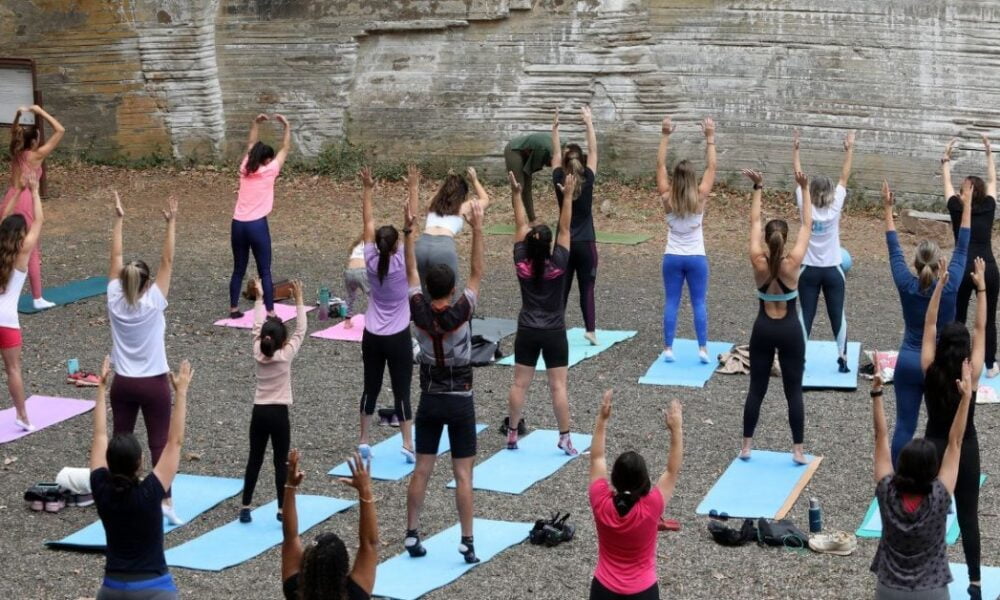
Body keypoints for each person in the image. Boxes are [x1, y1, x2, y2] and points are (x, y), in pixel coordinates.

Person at [402, 165, 486, 563]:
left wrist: (406, 233)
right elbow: (477, 272)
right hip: (460, 398)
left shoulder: (417, 310)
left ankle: (411, 533)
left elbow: (409, 272)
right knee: (463, 475)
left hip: (430, 398)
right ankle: (467, 541)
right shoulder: (461, 312)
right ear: (451, 289)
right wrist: (480, 232)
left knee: (422, 469)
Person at [89, 356, 193, 600]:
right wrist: (181, 393)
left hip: (111, 589)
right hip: (154, 590)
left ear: (109, 462)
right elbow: (174, 442)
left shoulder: (101, 489)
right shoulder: (150, 493)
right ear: (140, 463)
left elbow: (99, 437)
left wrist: (101, 389)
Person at [869, 355, 972, 600]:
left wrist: (876, 393)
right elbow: (955, 442)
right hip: (932, 591)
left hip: (889, 590)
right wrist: (966, 398)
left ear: (901, 466)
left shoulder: (887, 492)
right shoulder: (939, 495)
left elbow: (880, 437)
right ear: (931, 470)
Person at [107, 191, 182, 524]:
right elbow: (167, 262)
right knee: (159, 444)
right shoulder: (153, 301)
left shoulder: (113, 297)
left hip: (122, 383)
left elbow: (116, 255)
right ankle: (165, 502)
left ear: (123, 281)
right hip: (153, 383)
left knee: (121, 442)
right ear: (147, 283)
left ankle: (117, 498)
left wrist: (119, 219)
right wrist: (171, 223)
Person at [884, 178, 970, 463]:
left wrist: (887, 208)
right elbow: (963, 246)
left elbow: (893, 247)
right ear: (938, 262)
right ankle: (941, 481)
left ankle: (899, 483)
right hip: (940, 367)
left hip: (909, 360)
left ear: (916, 263)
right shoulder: (951, 283)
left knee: (904, 427)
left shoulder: (906, 283)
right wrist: (966, 206)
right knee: (941, 430)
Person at [920, 257, 987, 599]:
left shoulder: (930, 368)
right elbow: (980, 329)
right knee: (968, 516)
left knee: (931, 515)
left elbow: (929, 325)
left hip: (933, 448)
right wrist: (982, 288)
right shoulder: (970, 374)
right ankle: (975, 581)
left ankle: (929, 572)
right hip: (966, 447)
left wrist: (940, 287)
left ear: (943, 345)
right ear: (963, 351)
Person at [740, 169, 812, 465]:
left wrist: (758, 186)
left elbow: (754, 221)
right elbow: (808, 223)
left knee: (757, 388)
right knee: (793, 390)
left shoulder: (758, 259)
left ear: (767, 239)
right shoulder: (793, 262)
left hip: (763, 328)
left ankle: (746, 446)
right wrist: (804, 189)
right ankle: (797, 450)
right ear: (785, 239)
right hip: (790, 329)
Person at [505, 169, 578, 455]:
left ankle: (512, 433)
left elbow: (521, 223)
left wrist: (516, 194)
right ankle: (564, 437)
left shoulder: (521, 262)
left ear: (529, 244)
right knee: (558, 387)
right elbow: (565, 229)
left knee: (519, 384)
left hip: (527, 330)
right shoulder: (558, 263)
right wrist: (568, 196)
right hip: (553, 332)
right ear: (548, 246)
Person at [588, 390, 682, 600]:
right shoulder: (652, 506)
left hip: (604, 590)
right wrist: (676, 429)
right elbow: (672, 470)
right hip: (643, 592)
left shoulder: (600, 500)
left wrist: (602, 419)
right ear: (644, 481)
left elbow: (596, 458)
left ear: (614, 478)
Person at [357, 167, 414, 461]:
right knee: (401, 389)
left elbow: (367, 221)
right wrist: (408, 216)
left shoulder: (369, 258)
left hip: (372, 334)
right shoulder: (402, 263)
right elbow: (411, 233)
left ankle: (364, 440)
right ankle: (406, 443)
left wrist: (367, 188)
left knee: (371, 387)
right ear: (396, 246)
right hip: (398, 335)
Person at [240, 278, 307, 524]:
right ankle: (281, 510)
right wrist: (299, 300)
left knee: (254, 458)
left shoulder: (258, 351)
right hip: (279, 414)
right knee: (280, 462)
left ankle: (245, 507)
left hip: (259, 411)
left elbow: (257, 326)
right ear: (281, 341)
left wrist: (258, 298)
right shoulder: (285, 355)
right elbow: (301, 330)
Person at [792, 128, 856, 372]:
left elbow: (798, 175)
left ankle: (799, 359)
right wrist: (849, 148)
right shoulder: (835, 205)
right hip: (832, 270)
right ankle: (843, 359)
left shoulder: (804, 203)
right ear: (829, 194)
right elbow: (844, 175)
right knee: (837, 315)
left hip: (808, 270)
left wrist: (796, 149)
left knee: (805, 314)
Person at [656, 116, 717, 363]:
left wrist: (665, 135)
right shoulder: (700, 196)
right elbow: (711, 168)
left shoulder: (667, 198)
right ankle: (702, 349)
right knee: (698, 303)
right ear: (693, 180)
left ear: (675, 179)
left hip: (672, 257)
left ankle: (669, 349)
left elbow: (660, 166)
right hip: (696, 258)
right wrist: (710, 138)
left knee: (672, 302)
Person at [281, 449, 377, 600]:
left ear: (307, 564)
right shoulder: (355, 594)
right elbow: (370, 543)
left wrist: (290, 485)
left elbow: (290, 536)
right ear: (343, 566)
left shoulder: (295, 589)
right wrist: (365, 490)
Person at [943, 136, 999, 378]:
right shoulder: (988, 206)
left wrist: (945, 160)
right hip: (988, 267)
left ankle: (956, 360)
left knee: (958, 317)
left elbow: (945, 184)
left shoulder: (957, 208)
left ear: (966, 192)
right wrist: (989, 154)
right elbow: (993, 180)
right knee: (988, 317)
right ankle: (989, 364)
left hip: (962, 267)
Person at [228, 113, 291, 319]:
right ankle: (271, 311)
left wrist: (255, 123)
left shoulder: (245, 166)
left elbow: (251, 142)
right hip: (256, 226)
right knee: (265, 270)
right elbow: (285, 149)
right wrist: (286, 127)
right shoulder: (270, 169)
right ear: (267, 159)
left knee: (239, 268)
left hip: (238, 224)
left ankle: (234, 309)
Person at [1, 105, 64, 309]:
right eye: (38, 136)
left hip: (10, 197)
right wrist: (40, 111)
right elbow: (60, 130)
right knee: (31, 248)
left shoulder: (16, 150)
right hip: (26, 199)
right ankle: (37, 298)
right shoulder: (37, 155)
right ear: (35, 140)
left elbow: (15, 131)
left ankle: (4, 289)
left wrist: (19, 114)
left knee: (5, 244)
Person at [552, 107, 600, 345]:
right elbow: (593, 150)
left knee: (561, 288)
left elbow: (554, 156)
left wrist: (555, 129)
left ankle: (556, 328)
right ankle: (590, 330)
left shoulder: (560, 179)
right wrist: (588, 121)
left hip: (564, 244)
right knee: (587, 288)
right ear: (581, 161)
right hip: (586, 243)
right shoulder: (588, 179)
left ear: (563, 162)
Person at [0, 172, 44, 430]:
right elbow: (39, 220)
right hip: (6, 321)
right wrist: (34, 191)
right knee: (13, 370)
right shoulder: (22, 254)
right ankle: (22, 416)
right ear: (21, 236)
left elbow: (4, 218)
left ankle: (22, 415)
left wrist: (16, 192)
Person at [414, 167, 489, 296]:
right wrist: (475, 180)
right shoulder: (462, 207)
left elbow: (441, 194)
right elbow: (486, 200)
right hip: (444, 248)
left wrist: (448, 182)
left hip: (420, 246)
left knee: (419, 293)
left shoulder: (432, 204)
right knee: (447, 293)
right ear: (462, 195)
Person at [503, 114, 559, 223]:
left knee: (527, 188)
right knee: (519, 186)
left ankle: (532, 219)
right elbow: (541, 163)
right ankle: (520, 221)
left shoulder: (560, 147)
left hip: (527, 153)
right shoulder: (546, 149)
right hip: (514, 150)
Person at [342, 235, 368, 329]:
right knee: (373, 297)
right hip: (361, 271)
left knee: (350, 296)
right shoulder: (372, 245)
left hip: (348, 272)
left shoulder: (356, 246)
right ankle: (372, 322)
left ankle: (347, 322)